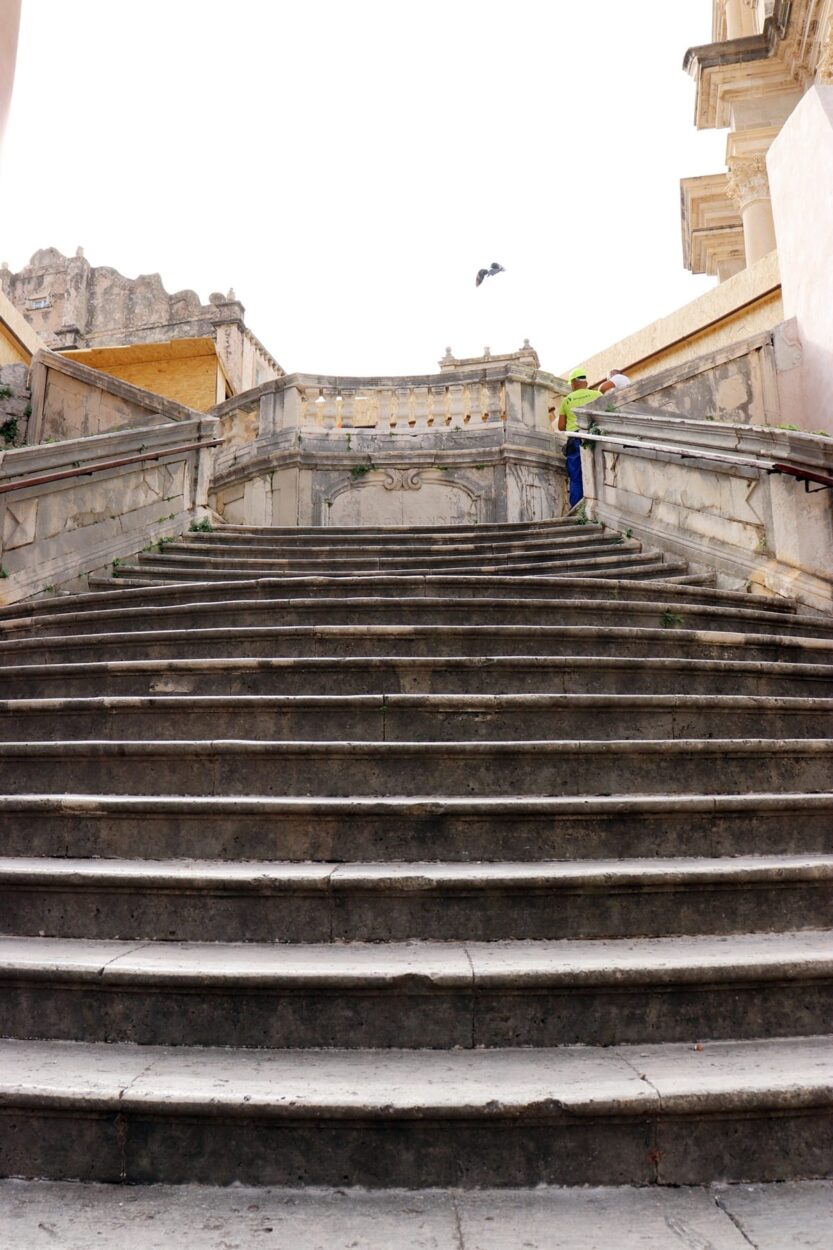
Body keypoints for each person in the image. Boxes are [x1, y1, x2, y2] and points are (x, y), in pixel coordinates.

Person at [551, 367, 602, 508]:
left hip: (575, 439)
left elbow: (561, 426)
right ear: (585, 382)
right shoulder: (597, 395)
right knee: (600, 470)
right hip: (597, 436)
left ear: (573, 383)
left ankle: (577, 508)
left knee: (576, 476)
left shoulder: (567, 400)